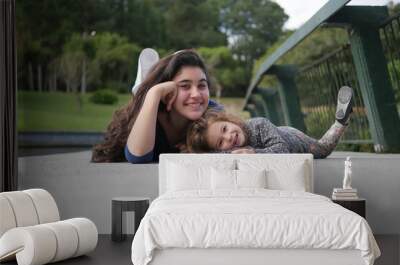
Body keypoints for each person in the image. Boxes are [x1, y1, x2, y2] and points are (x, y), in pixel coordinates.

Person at [92, 49, 222, 163]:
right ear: (167, 91)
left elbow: (238, 136)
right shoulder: (153, 114)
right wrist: (154, 93)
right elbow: (138, 156)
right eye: (184, 86)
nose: (196, 94)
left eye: (202, 85)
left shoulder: (213, 112)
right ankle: (144, 88)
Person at [186, 86, 353, 159]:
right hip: (275, 135)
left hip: (293, 139)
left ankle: (340, 122)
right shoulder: (231, 149)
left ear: (229, 120)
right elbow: (212, 156)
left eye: (225, 128)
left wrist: (254, 154)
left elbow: (282, 150)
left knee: (323, 149)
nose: (228, 137)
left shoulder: (258, 124)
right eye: (220, 142)